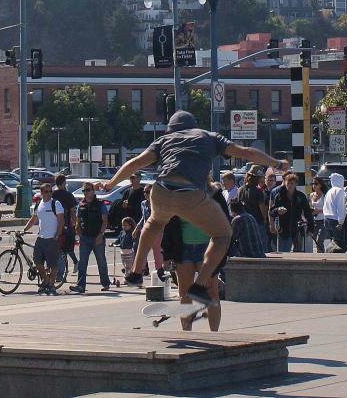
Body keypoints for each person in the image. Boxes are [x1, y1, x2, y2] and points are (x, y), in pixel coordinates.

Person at [101, 110, 283, 307]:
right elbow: (246, 153)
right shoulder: (209, 137)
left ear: (172, 129)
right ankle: (201, 283)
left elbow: (135, 163)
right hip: (189, 193)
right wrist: (276, 163)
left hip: (160, 190)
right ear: (194, 126)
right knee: (222, 235)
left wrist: (110, 184)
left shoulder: (164, 140)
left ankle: (135, 272)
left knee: (153, 223)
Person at [21, 182, 64, 295]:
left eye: (51, 191)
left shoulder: (56, 204)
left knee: (52, 265)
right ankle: (45, 281)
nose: (49, 194)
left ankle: (52, 285)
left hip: (51, 238)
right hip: (41, 238)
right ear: (41, 193)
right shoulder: (39, 204)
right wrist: (24, 229)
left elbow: (61, 221)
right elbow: (33, 219)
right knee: (38, 262)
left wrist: (56, 235)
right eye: (46, 192)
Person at [70, 183, 110, 293]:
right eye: (84, 191)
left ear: (93, 191)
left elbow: (105, 221)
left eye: (88, 190)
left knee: (101, 261)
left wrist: (101, 235)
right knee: (82, 262)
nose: (86, 192)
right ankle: (80, 286)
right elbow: (78, 221)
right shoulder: (81, 204)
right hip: (85, 238)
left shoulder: (100, 204)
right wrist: (78, 232)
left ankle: (106, 283)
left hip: (97, 237)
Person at [270, 171, 313, 252]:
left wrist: (310, 229)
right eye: (288, 183)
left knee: (298, 254)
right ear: (285, 183)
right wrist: (278, 210)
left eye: (292, 183)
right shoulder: (279, 196)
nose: (289, 185)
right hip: (283, 230)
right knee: (284, 253)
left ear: (296, 184)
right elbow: (271, 211)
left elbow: (308, 213)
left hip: (297, 229)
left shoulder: (300, 196)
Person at [53, 174, 79, 272]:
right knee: (67, 248)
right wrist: (76, 225)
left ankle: (63, 269)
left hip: (54, 225)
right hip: (66, 225)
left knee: (60, 248)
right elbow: (72, 212)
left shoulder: (52, 194)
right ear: (64, 183)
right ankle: (67, 267)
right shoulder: (68, 195)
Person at [322, 173, 347, 252]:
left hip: (327, 219)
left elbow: (325, 206)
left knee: (333, 241)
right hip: (335, 220)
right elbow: (340, 207)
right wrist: (341, 222)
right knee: (340, 244)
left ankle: (330, 255)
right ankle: (338, 260)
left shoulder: (329, 191)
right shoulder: (340, 191)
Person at [309, 177, 327, 252]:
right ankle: (319, 256)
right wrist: (311, 211)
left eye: (316, 184)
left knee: (319, 241)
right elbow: (309, 206)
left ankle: (322, 257)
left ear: (321, 185)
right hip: (314, 221)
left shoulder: (325, 195)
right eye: (313, 184)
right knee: (314, 241)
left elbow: (328, 209)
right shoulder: (311, 195)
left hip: (323, 221)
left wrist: (318, 211)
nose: (314, 185)